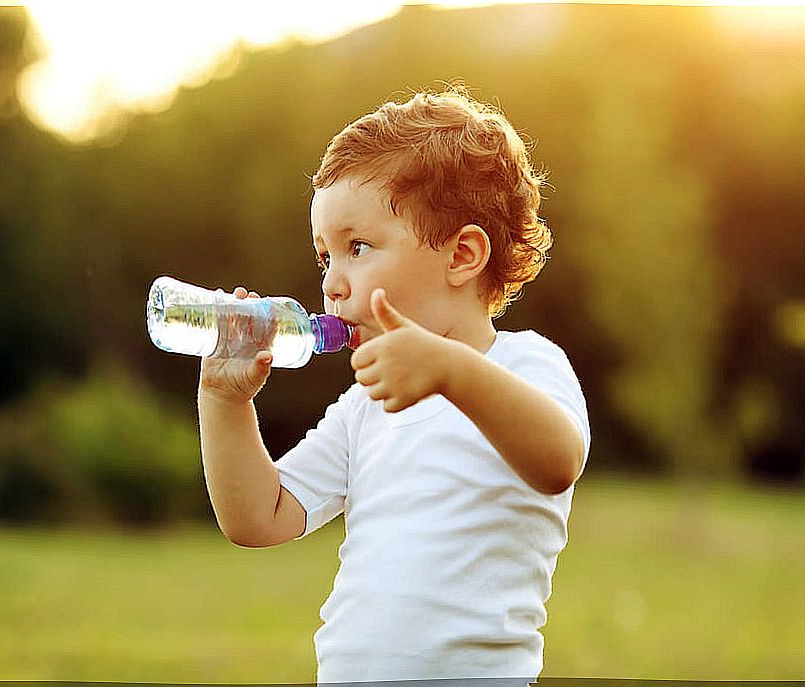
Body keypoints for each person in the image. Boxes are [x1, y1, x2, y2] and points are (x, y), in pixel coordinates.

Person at [197, 86, 591, 686]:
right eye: (325, 256)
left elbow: (557, 461)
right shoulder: (364, 405)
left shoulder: (525, 365)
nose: (331, 283)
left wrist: (449, 369)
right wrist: (225, 402)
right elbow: (259, 518)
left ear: (461, 255)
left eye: (357, 247)